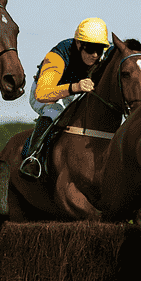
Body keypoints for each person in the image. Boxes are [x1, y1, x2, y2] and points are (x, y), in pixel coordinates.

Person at [19, 17, 110, 179]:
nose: (95, 55)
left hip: (73, 95)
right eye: (90, 49)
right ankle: (32, 157)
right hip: (45, 96)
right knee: (56, 110)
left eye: (100, 50)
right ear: (79, 44)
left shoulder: (98, 55)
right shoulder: (57, 57)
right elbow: (42, 94)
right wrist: (75, 87)